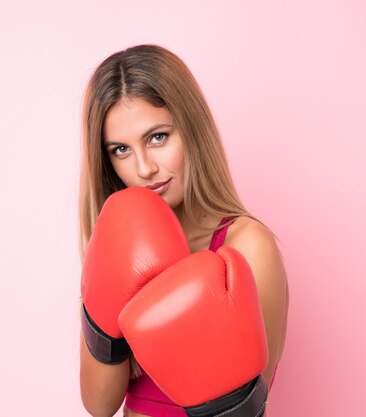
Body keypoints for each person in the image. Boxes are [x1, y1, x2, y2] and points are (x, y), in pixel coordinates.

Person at [78, 44, 289, 417]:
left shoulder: (246, 247)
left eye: (157, 137)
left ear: (191, 130)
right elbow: (99, 405)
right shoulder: (118, 246)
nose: (143, 168)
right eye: (121, 150)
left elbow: (248, 409)